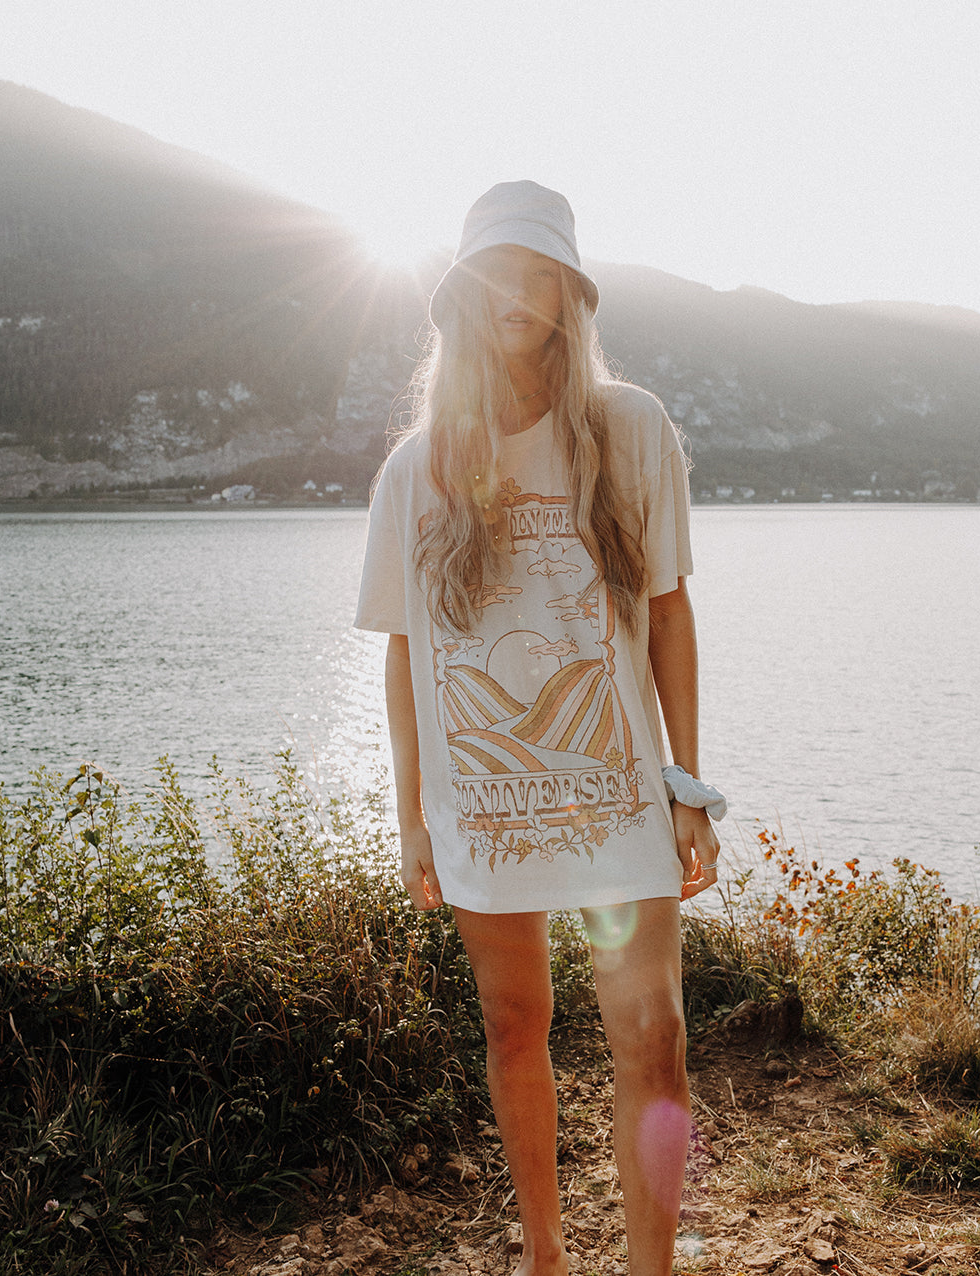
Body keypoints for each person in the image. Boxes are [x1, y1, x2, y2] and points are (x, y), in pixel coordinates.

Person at [355, 181, 726, 1276]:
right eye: (495, 276)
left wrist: (687, 783)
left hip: (619, 800)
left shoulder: (630, 429)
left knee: (653, 1039)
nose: (516, 295)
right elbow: (406, 654)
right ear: (460, 298)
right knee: (515, 1028)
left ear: (571, 294)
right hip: (482, 806)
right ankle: (546, 1260)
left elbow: (668, 612)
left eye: (539, 274)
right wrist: (412, 817)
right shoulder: (417, 469)